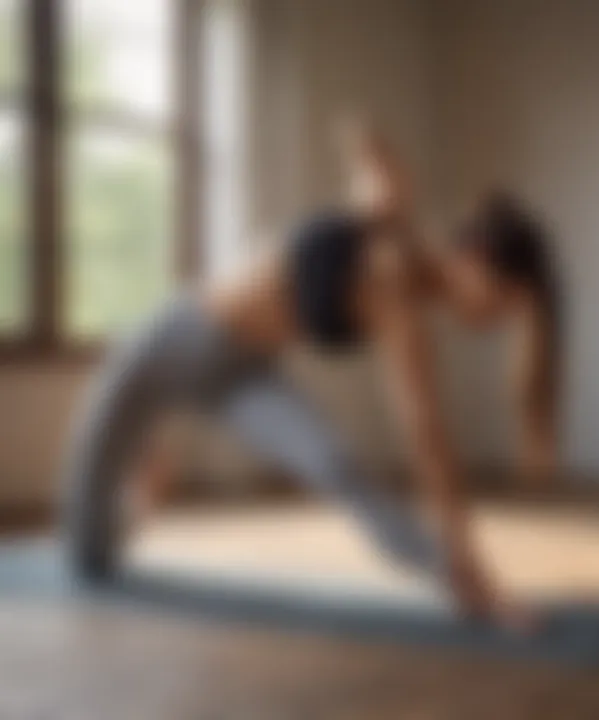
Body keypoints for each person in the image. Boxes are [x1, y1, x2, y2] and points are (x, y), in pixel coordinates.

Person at [63, 123, 561, 629]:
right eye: (500, 302)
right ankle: (141, 481)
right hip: (172, 343)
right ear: (473, 260)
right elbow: (426, 434)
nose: (493, 322)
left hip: (245, 375)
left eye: (509, 316)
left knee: (335, 464)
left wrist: (469, 570)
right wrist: (366, 141)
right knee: (88, 561)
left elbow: (427, 433)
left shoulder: (402, 274)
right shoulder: (389, 266)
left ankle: (453, 579)